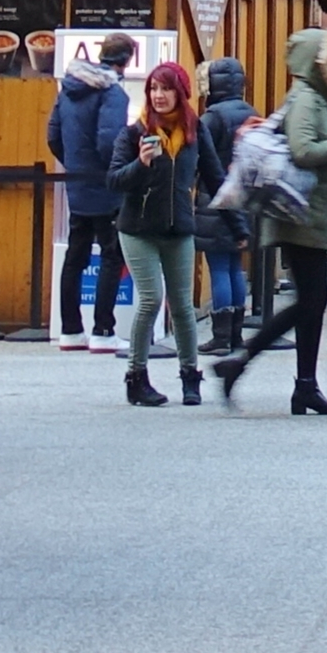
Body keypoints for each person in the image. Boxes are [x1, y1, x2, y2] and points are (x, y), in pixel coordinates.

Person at [265, 33, 327, 416]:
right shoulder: (305, 99)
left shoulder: (318, 99)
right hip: (302, 216)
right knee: (311, 300)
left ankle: (302, 383)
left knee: (310, 301)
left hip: (311, 214)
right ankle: (301, 383)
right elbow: (303, 151)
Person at [118, 64, 205, 408]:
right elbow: (114, 179)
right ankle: (136, 377)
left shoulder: (196, 131)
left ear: (180, 93)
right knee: (151, 298)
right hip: (138, 229)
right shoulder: (133, 133)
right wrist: (140, 164)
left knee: (182, 304)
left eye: (166, 89)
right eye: (153, 88)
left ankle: (190, 377)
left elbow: (211, 171)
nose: (158, 95)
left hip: (179, 229)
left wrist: (236, 218)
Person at [46, 39, 131, 349]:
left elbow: (53, 135)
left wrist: (74, 164)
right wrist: (119, 170)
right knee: (111, 256)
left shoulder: (68, 90)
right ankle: (103, 331)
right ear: (126, 61)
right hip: (106, 187)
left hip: (78, 184)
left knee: (75, 256)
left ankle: (70, 331)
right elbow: (109, 141)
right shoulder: (113, 93)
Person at [189, 54, 256, 385]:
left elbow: (202, 158)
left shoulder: (211, 117)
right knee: (235, 267)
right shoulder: (251, 113)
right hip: (244, 196)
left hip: (215, 199)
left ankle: (220, 334)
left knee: (218, 266)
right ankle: (237, 334)